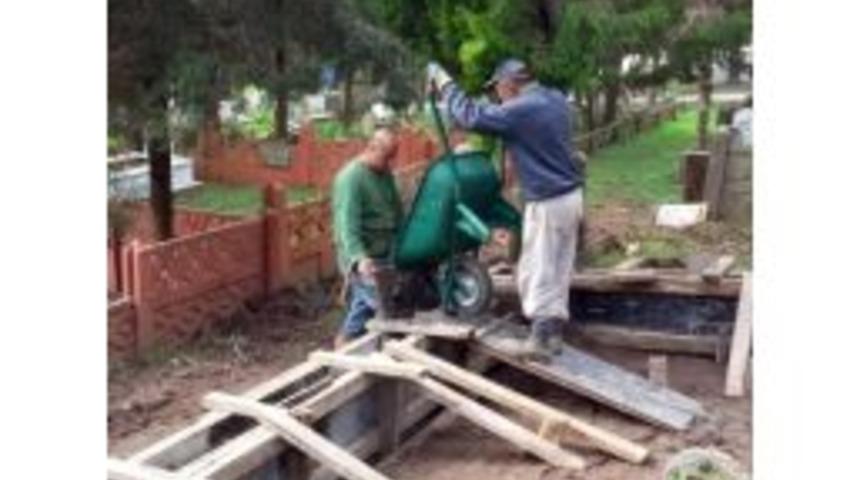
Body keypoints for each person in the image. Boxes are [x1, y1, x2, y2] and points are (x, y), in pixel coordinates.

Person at [427, 58, 585, 361]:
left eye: (497, 89)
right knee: (557, 269)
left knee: (535, 268)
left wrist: (442, 80)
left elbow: (469, 116)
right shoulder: (555, 99)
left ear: (509, 83)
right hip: (571, 197)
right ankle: (551, 335)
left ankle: (539, 341)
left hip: (548, 201)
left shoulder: (522, 109)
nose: (497, 97)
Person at [331, 127, 403, 348]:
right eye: (386, 157)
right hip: (363, 257)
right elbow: (347, 225)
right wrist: (359, 258)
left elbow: (396, 210)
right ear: (372, 147)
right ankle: (378, 349)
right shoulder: (351, 178)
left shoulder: (384, 175)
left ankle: (346, 342)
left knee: (366, 303)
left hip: (385, 253)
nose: (389, 164)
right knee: (382, 303)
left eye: (392, 158)